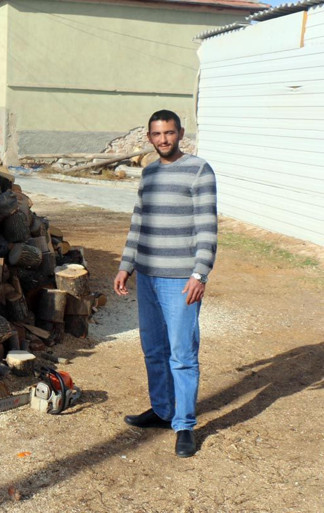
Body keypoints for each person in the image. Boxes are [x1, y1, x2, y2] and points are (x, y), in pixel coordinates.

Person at [113, 109, 218, 458]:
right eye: (157, 135)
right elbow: (138, 223)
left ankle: (185, 425)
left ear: (181, 133)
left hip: (181, 281)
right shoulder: (150, 173)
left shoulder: (199, 170)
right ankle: (162, 411)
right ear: (149, 137)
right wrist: (126, 266)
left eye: (169, 133)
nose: (164, 140)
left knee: (183, 355)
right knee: (154, 350)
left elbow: (207, 228)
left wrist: (200, 273)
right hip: (148, 277)